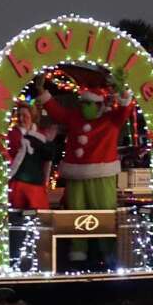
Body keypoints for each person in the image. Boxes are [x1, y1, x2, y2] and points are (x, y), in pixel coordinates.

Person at [37, 72, 135, 263]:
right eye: (82, 103)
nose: (84, 107)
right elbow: (58, 113)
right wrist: (42, 91)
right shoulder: (75, 117)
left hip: (102, 174)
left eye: (88, 104)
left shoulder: (111, 119)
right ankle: (78, 251)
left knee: (104, 212)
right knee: (77, 212)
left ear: (99, 105)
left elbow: (125, 109)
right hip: (75, 174)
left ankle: (108, 253)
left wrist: (123, 90)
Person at [6, 100, 51, 210]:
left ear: (32, 117)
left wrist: (45, 181)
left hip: (36, 185)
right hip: (18, 184)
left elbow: (47, 161)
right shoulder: (12, 135)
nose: (21, 119)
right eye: (19, 115)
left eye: (24, 116)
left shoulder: (41, 136)